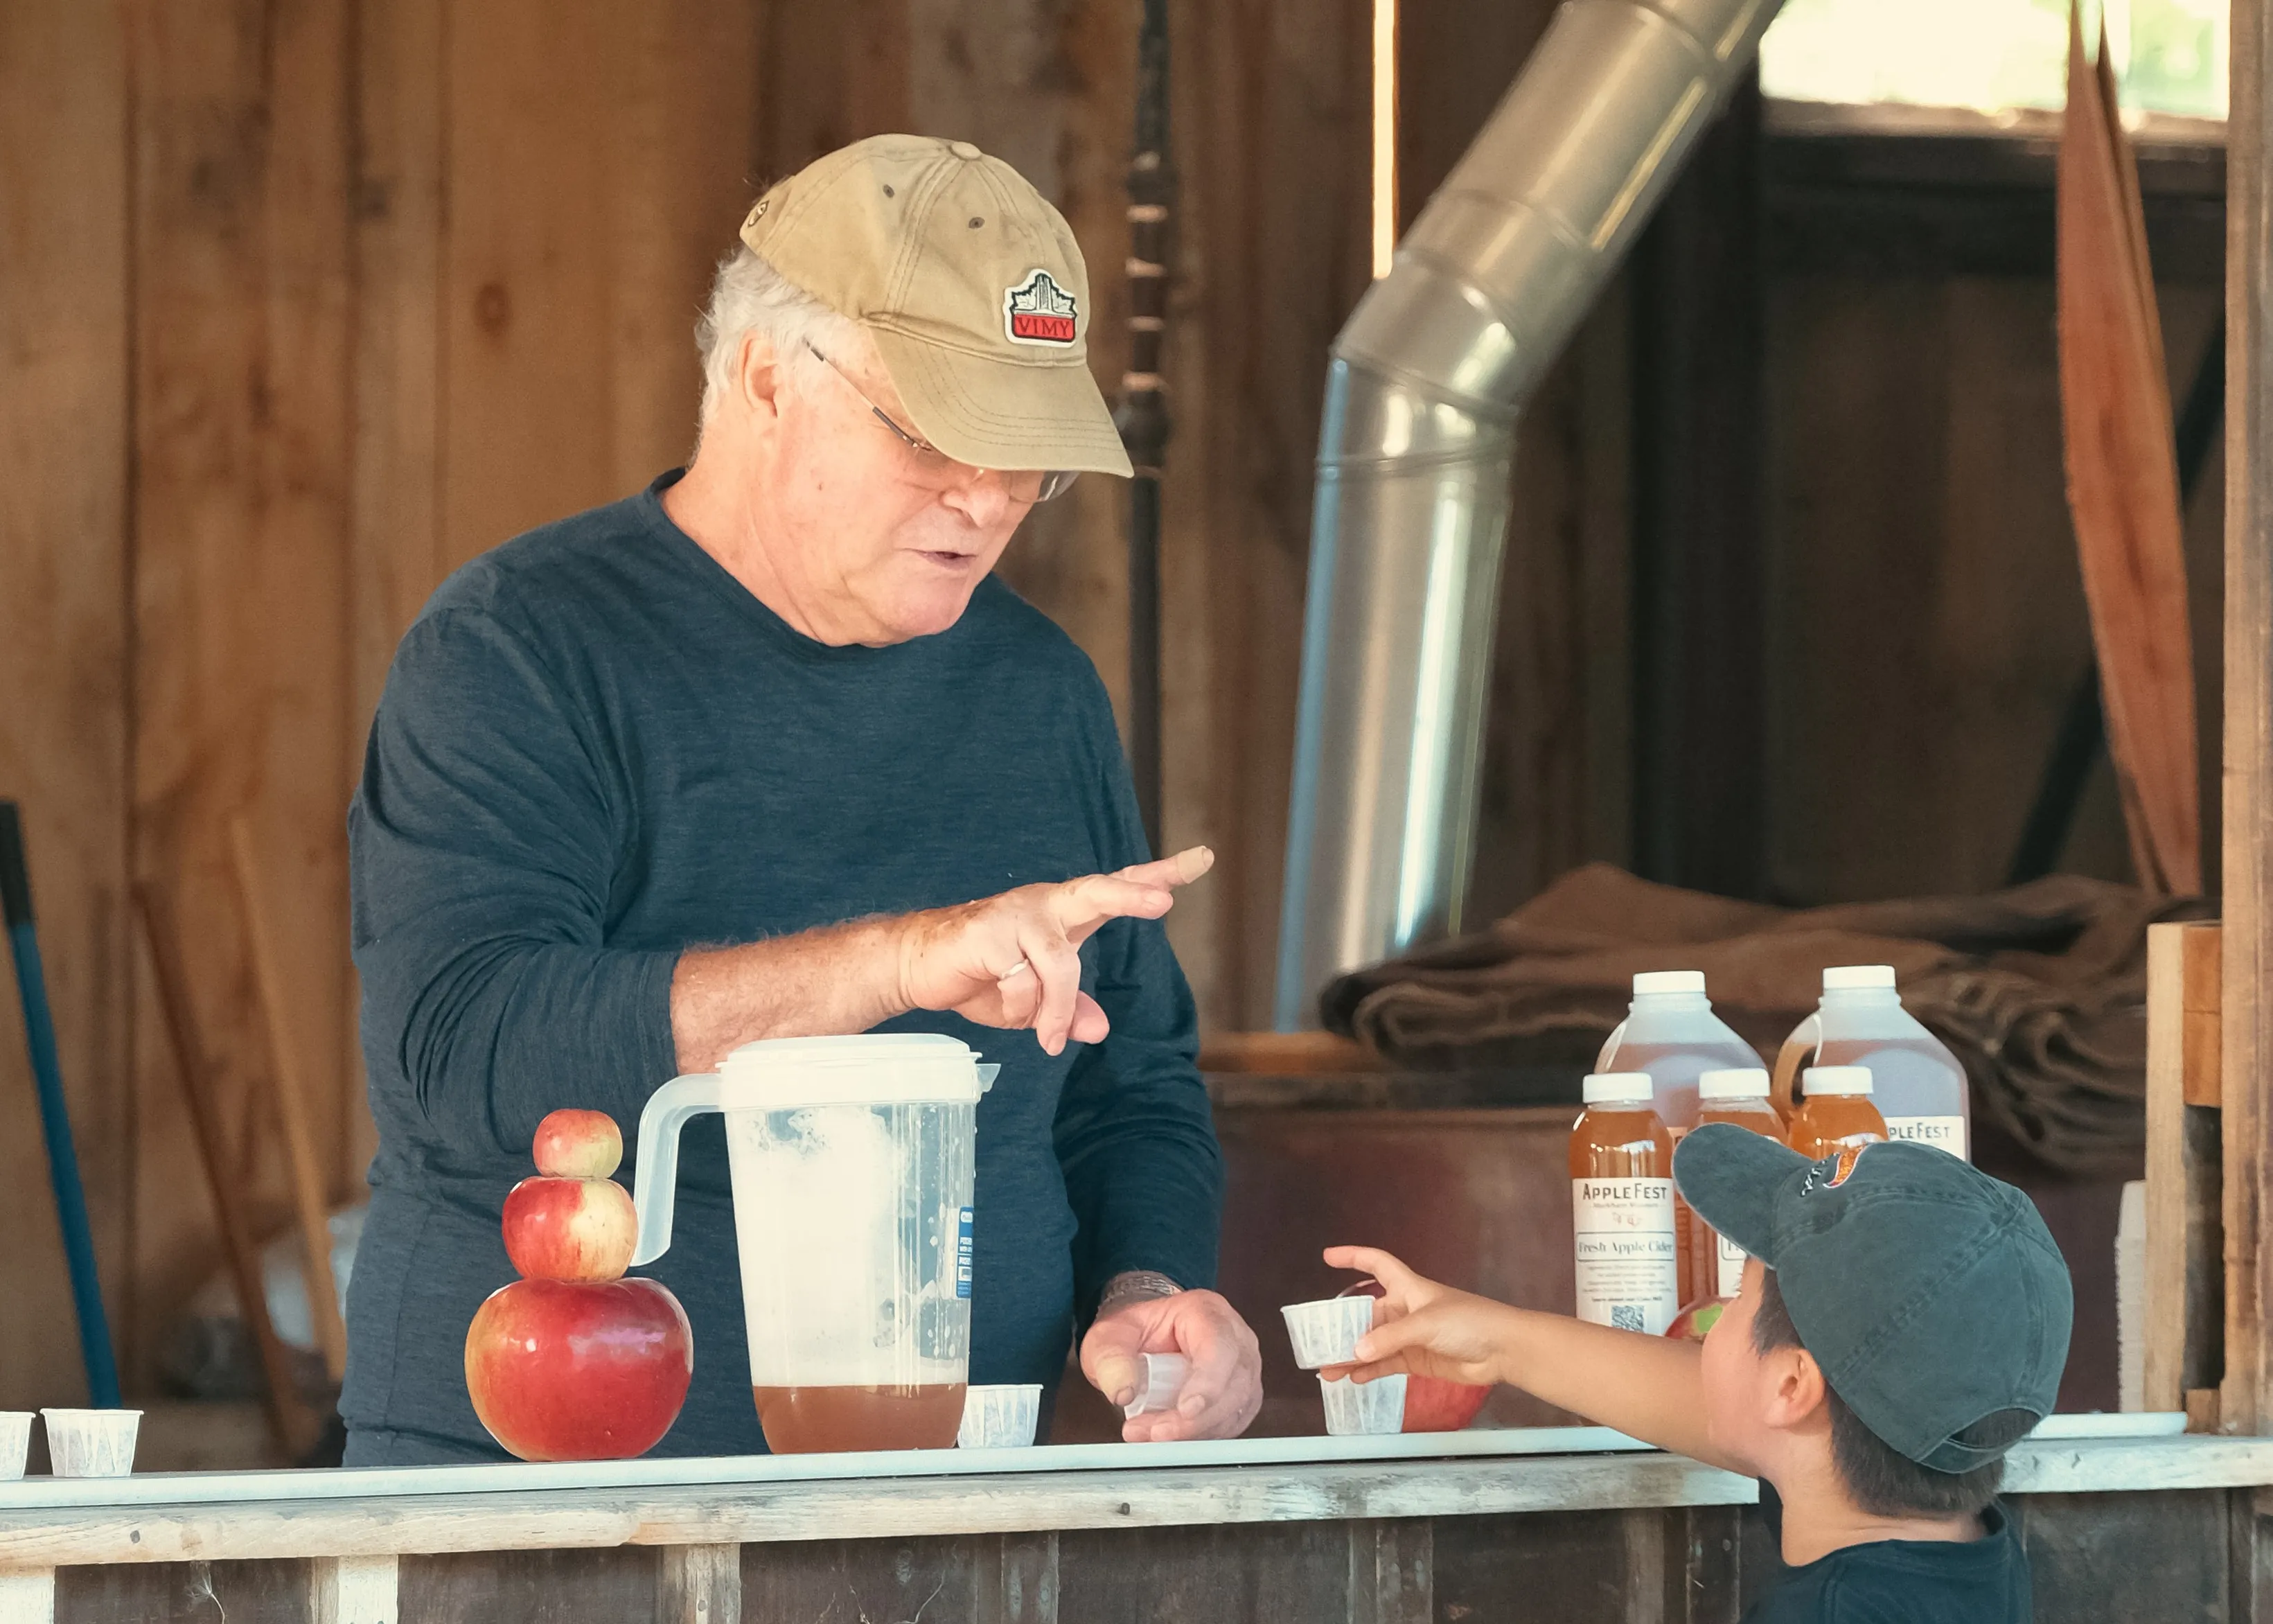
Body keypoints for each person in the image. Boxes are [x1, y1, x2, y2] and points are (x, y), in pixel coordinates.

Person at [343, 134, 1264, 1464]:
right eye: (939, 431)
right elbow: (467, 1051)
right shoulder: (521, 645)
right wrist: (895, 961)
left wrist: (1147, 1294)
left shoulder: (1037, 687)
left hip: (947, 1506)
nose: (991, 496)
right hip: (543, 1508)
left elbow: (1131, 1084)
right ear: (768, 373)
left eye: (1032, 458)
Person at [1325, 1129, 2073, 1622]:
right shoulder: (1952, 1551)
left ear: (1790, 1388)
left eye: (1739, 1298)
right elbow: (1733, 1407)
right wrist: (1496, 1341)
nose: (1714, 1313)